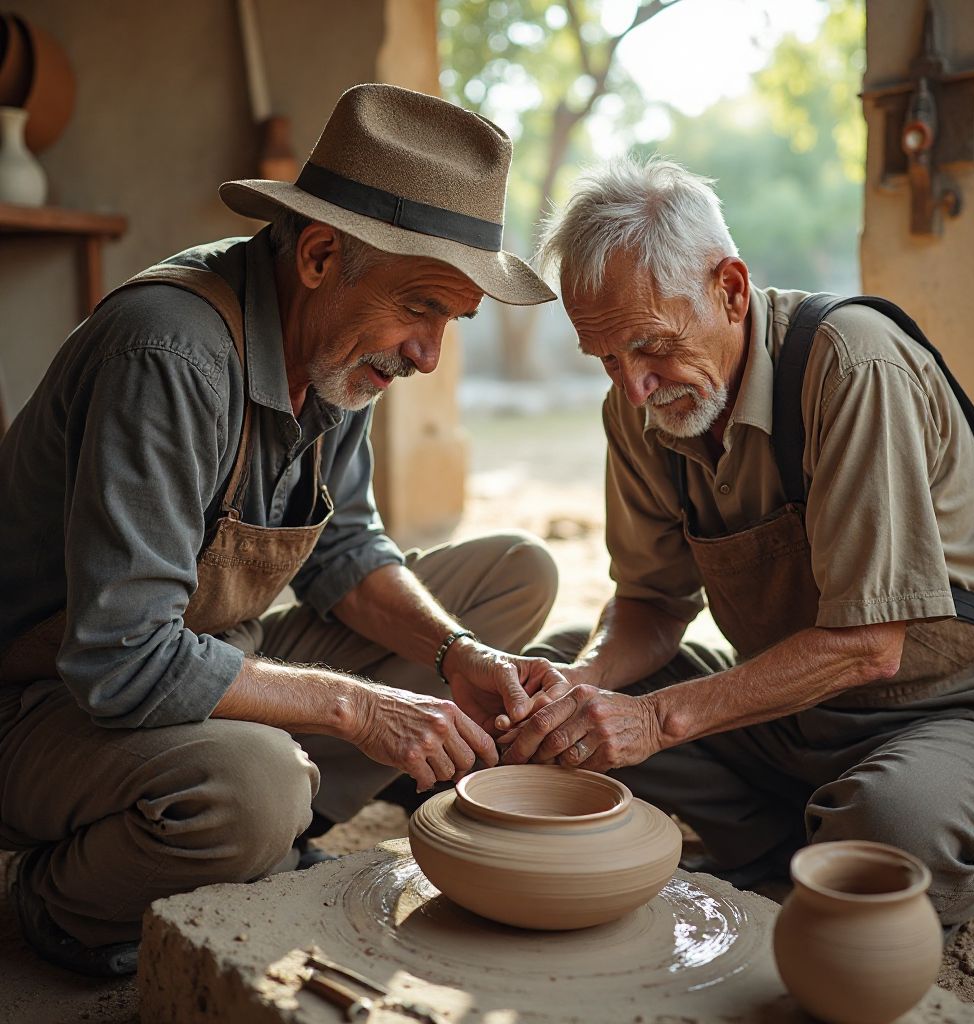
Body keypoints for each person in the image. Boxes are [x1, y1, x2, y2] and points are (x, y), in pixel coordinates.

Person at [0, 83, 561, 976]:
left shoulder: (341, 351)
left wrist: (458, 654)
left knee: (513, 577)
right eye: (420, 307)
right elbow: (120, 660)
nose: (429, 355)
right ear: (320, 255)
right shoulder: (169, 355)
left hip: (208, 660)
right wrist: (362, 708)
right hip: (47, 704)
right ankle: (61, 895)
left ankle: (284, 823)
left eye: (452, 321)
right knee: (252, 787)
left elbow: (346, 551)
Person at [504, 157, 974, 931]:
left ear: (732, 289)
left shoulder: (852, 363)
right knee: (560, 693)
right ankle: (799, 837)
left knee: (892, 828)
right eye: (606, 358)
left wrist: (654, 721)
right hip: (790, 715)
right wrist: (583, 683)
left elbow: (870, 646)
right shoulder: (643, 407)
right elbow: (651, 603)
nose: (634, 385)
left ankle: (955, 818)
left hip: (951, 707)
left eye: (650, 344)